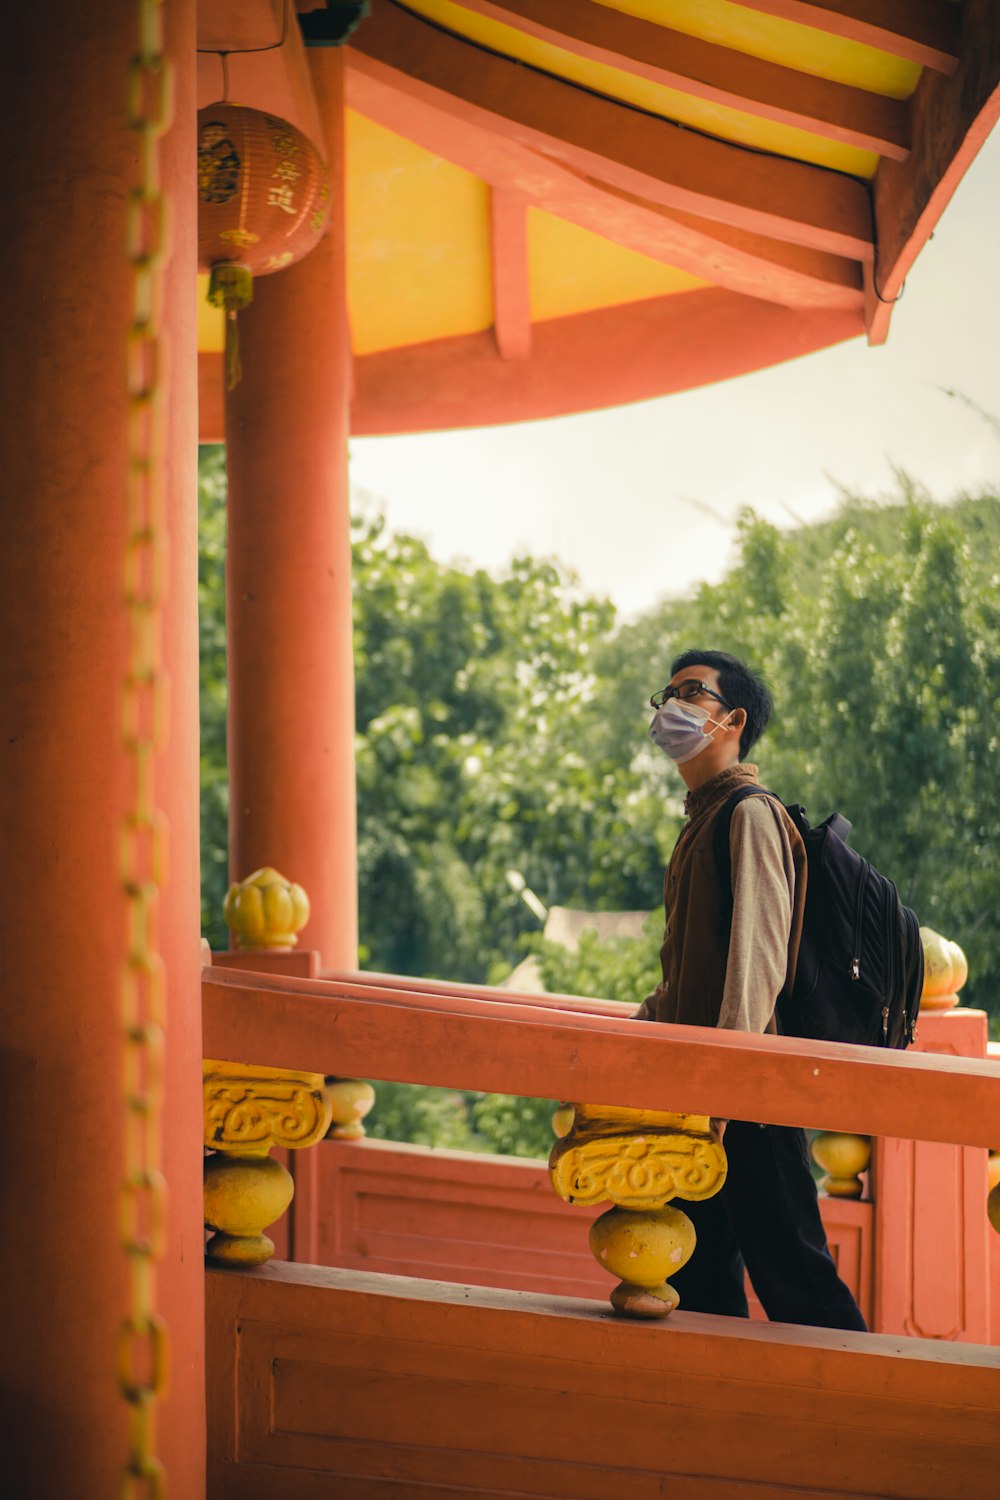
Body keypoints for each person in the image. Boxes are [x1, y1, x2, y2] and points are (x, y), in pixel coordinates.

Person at [636, 648, 867, 1331]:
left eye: (691, 694)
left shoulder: (749, 814)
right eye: (667, 693)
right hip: (704, 1097)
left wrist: (727, 1094)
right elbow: (688, 978)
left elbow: (755, 969)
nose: (669, 707)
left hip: (743, 1104)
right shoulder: (703, 819)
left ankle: (870, 1422)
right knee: (702, 1282)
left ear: (732, 719)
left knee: (799, 1283)